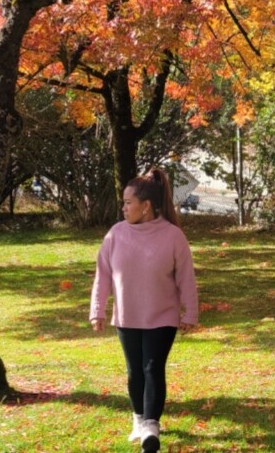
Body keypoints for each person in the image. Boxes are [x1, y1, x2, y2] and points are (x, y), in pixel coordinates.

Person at [90, 168, 198, 452]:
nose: (124, 208)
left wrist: (190, 313)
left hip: (162, 317)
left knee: (152, 368)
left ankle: (151, 427)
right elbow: (103, 275)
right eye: (124, 203)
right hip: (127, 316)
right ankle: (139, 419)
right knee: (134, 371)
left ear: (146, 206)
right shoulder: (115, 234)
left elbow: (186, 278)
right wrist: (97, 309)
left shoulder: (173, 236)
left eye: (128, 203)